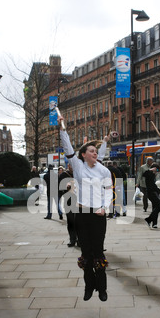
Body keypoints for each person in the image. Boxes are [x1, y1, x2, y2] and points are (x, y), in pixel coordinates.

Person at [59, 115, 113, 302]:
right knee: (86, 253)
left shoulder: (104, 170)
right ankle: (89, 287)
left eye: (96, 151)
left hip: (98, 215)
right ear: (83, 154)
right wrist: (62, 129)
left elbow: (108, 191)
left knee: (98, 251)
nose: (95, 153)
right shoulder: (79, 166)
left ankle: (102, 288)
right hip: (81, 214)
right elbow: (67, 148)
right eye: (91, 151)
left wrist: (104, 207)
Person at [59, 164, 79, 247]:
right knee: (70, 221)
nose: (72, 167)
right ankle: (72, 239)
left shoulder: (79, 173)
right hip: (68, 201)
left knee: (79, 222)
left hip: (79, 202)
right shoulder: (64, 175)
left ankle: (80, 240)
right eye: (71, 165)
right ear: (68, 166)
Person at [144, 163, 160, 229]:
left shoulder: (153, 175)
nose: (157, 171)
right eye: (157, 169)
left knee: (155, 207)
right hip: (151, 193)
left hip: (154, 193)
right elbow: (144, 174)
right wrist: (151, 170)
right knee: (159, 207)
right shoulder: (149, 173)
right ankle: (148, 219)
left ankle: (154, 223)